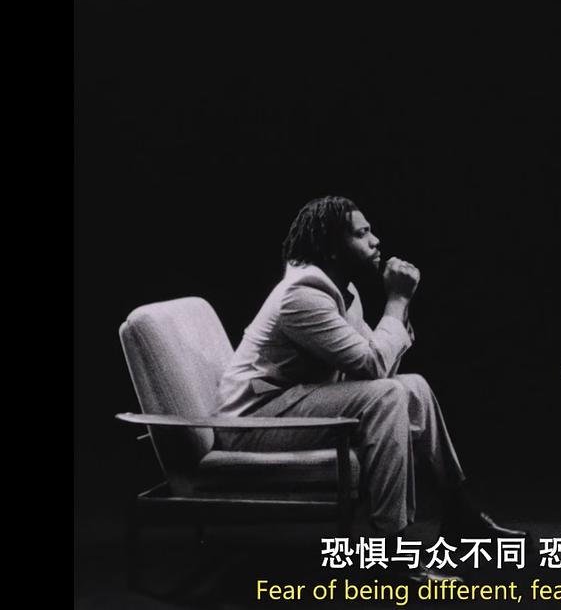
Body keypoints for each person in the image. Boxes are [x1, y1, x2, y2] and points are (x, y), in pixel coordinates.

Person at [214, 195, 526, 583]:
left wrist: (399, 307)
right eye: (361, 234)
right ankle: (392, 549)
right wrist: (397, 300)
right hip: (253, 424)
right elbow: (374, 368)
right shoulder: (302, 295)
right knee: (389, 395)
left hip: (290, 405)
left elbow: (380, 370)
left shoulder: (340, 291)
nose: (375, 240)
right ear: (331, 247)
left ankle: (460, 513)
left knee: (413, 388)